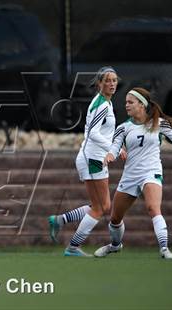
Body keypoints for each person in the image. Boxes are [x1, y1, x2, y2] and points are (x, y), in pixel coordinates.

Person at [94, 87, 172, 259]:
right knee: (115, 218)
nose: (126, 105)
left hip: (151, 172)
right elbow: (115, 147)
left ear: (142, 105)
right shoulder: (124, 128)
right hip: (130, 176)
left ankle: (164, 248)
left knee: (153, 208)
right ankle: (115, 245)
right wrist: (109, 155)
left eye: (130, 102)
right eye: (126, 102)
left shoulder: (158, 124)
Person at [50, 66, 121, 256]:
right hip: (92, 159)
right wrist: (114, 148)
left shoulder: (105, 102)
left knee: (101, 205)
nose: (112, 84)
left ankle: (61, 220)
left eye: (114, 80)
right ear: (99, 84)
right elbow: (93, 133)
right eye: (107, 80)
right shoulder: (102, 104)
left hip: (93, 158)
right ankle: (73, 247)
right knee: (101, 207)